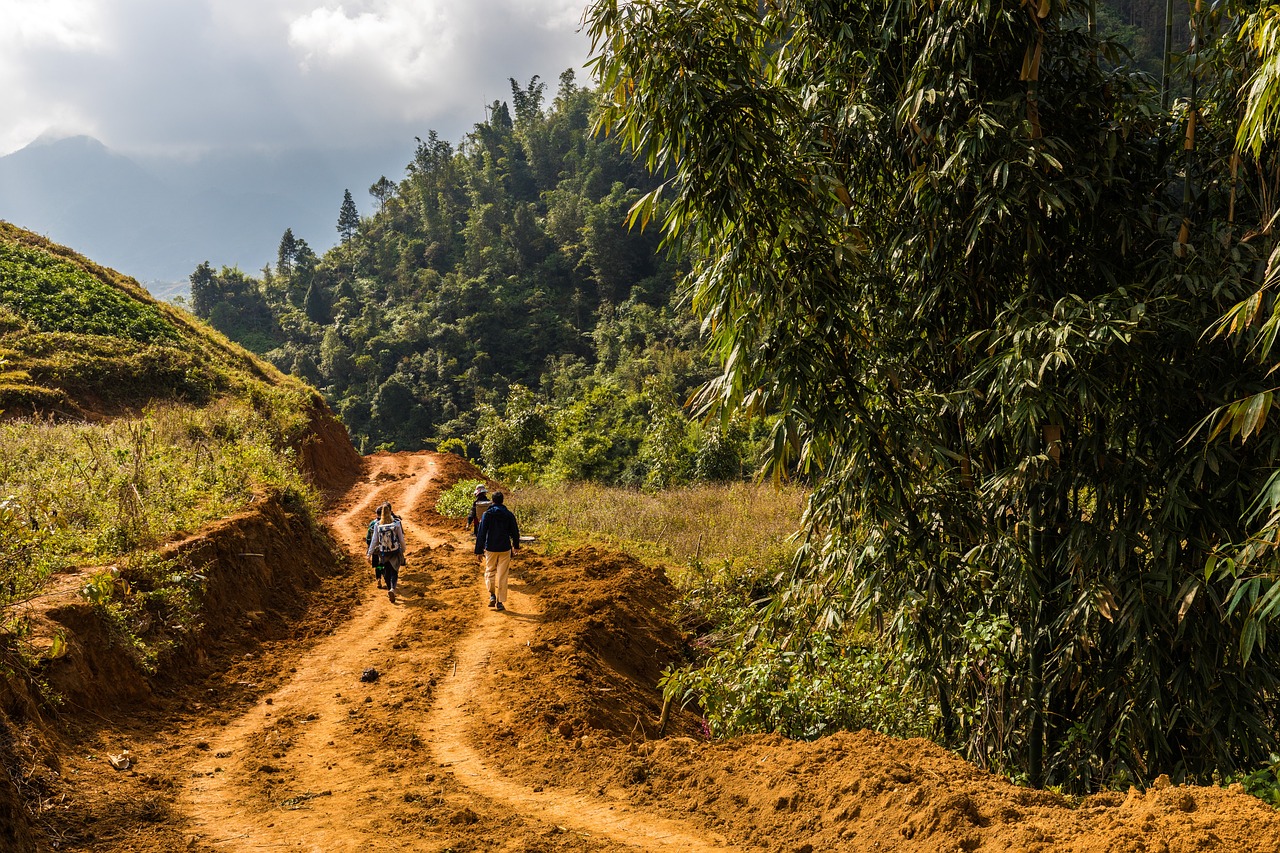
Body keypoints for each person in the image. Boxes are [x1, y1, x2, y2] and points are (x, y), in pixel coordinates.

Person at [474, 491, 519, 612]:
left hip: (491, 548)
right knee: (503, 575)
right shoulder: (509, 514)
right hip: (505, 548)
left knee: (490, 571)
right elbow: (515, 531)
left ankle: (492, 594)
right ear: (502, 501)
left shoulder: (487, 514)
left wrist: (478, 550)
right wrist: (516, 546)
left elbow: (481, 533)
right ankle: (500, 602)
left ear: (492, 501)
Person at [367, 503, 406, 602]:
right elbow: (401, 539)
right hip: (394, 551)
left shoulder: (377, 525)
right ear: (390, 512)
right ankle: (393, 588)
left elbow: (374, 541)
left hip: (383, 552)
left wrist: (369, 554)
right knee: (394, 571)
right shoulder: (396, 523)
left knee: (386, 572)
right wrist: (403, 549)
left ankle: (389, 589)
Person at [466, 483, 490, 554]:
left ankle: (480, 551)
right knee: (487, 536)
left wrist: (468, 523)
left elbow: (472, 513)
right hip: (488, 523)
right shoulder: (489, 502)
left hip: (478, 523)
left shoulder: (476, 503)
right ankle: (486, 549)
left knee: (479, 537)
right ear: (484, 493)